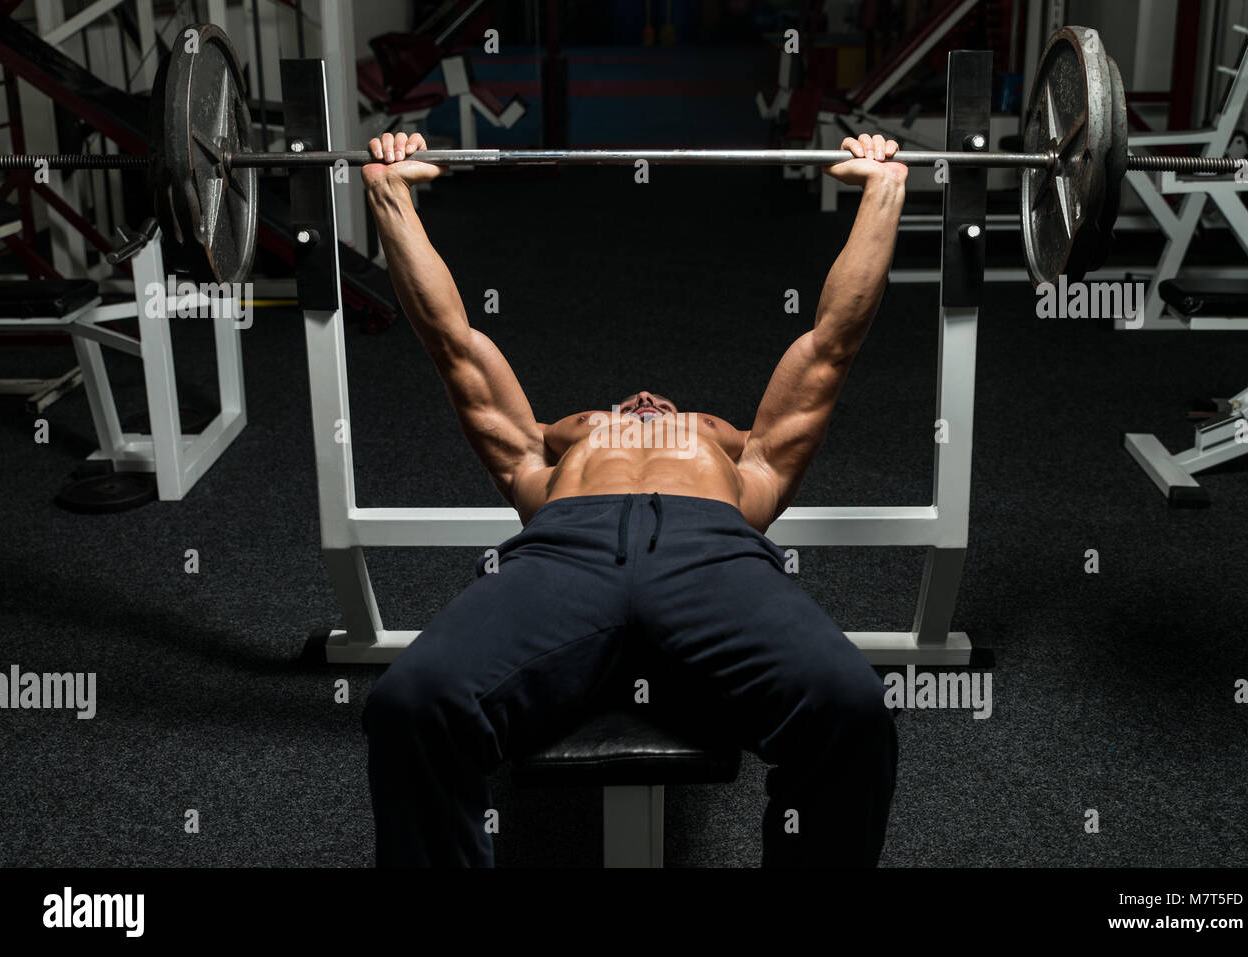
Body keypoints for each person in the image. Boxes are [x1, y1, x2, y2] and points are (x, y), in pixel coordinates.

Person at [360, 131, 906, 867]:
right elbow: (454, 343)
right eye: (614, 408)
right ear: (557, 440)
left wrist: (884, 189)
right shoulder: (536, 465)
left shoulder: (756, 468)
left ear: (734, 440)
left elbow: (830, 341)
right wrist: (391, 193)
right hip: (564, 552)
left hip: (710, 551)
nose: (645, 396)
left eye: (674, 407)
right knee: (408, 707)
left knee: (854, 710)